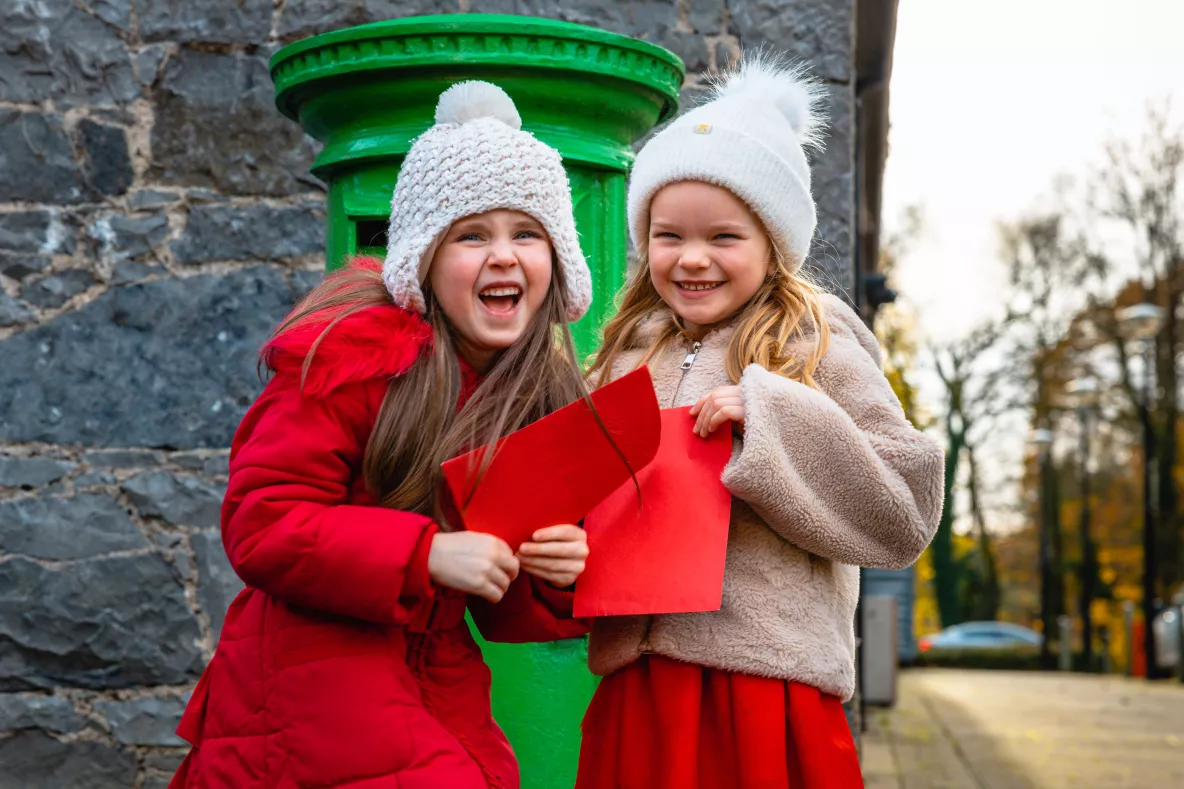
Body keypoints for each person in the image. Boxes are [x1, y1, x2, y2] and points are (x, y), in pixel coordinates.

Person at [170, 81, 596, 789]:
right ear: (421, 259)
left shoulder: (535, 395)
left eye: (527, 233)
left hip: (434, 667)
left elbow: (502, 603)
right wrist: (425, 555)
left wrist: (557, 574)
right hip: (309, 663)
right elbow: (261, 520)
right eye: (470, 235)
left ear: (557, 261)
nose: (502, 256)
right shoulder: (352, 358)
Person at [578, 57, 945, 789]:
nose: (691, 259)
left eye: (723, 237)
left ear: (774, 242)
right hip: (637, 689)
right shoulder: (623, 355)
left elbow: (906, 509)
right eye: (666, 234)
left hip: (765, 693)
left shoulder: (816, 336)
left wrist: (776, 418)